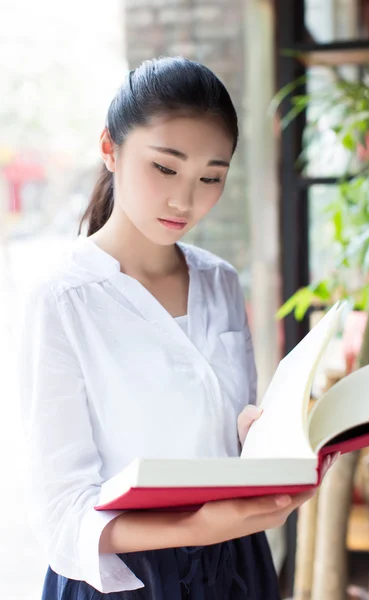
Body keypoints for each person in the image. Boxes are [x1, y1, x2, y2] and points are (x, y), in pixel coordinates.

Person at [19, 57, 314, 600]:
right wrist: (195, 530)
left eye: (211, 177)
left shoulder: (220, 280)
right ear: (110, 149)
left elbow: (218, 438)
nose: (185, 199)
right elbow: (63, 513)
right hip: (126, 580)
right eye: (164, 168)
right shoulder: (62, 300)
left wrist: (258, 439)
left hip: (237, 565)